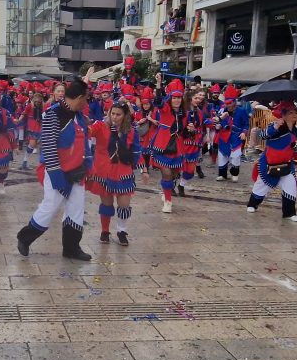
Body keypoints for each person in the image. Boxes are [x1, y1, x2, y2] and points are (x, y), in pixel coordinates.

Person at [16, 79, 93, 261]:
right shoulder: (53, 114)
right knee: (50, 206)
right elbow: (49, 146)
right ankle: (25, 238)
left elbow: (84, 143)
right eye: (85, 99)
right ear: (79, 98)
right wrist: (58, 176)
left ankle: (72, 248)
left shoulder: (79, 115)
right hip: (57, 170)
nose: (86, 103)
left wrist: (89, 165)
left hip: (77, 171)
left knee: (76, 209)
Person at [88, 100, 147, 246]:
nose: (114, 117)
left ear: (125, 115)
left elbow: (136, 151)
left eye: (118, 114)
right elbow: (88, 132)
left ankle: (121, 230)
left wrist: (144, 170)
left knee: (124, 204)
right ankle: (105, 231)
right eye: (112, 113)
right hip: (104, 170)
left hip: (123, 171)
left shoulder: (131, 131)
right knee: (106, 204)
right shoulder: (101, 126)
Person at [247, 101, 297, 222]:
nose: (294, 115)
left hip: (287, 164)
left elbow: (294, 145)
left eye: (295, 113)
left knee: (291, 186)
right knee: (262, 185)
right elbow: (263, 135)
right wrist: (276, 127)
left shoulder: (296, 130)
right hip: (269, 163)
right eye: (291, 113)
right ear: (284, 115)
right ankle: (252, 204)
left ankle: (289, 213)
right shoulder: (275, 125)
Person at [151, 75, 187, 212]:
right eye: (174, 97)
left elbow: (183, 131)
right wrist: (159, 84)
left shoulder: (185, 113)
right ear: (170, 98)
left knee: (174, 173)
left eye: (179, 98)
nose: (177, 100)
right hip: (163, 144)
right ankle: (168, 201)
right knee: (166, 173)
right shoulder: (165, 109)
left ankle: (165, 190)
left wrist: (190, 130)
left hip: (177, 146)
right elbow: (158, 101)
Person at [214, 94, 250, 182]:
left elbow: (246, 124)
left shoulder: (241, 111)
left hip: (236, 137)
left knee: (236, 156)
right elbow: (217, 121)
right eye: (226, 103)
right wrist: (218, 126)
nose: (228, 105)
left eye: (230, 103)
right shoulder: (222, 110)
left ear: (234, 102)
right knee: (222, 155)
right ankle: (222, 175)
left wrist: (243, 132)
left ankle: (234, 173)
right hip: (224, 136)